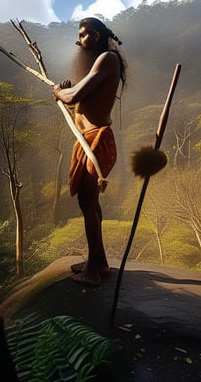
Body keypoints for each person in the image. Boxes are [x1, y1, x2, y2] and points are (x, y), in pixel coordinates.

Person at [53, 17, 126, 286]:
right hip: (87, 139)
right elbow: (79, 101)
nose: (78, 40)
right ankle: (100, 262)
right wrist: (64, 93)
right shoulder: (103, 60)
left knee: (88, 202)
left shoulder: (107, 58)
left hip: (96, 142)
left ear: (95, 35)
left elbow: (72, 97)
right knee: (89, 203)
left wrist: (60, 93)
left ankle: (93, 271)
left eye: (82, 35)